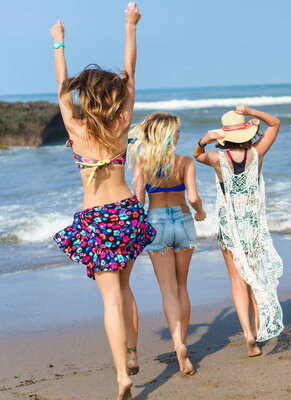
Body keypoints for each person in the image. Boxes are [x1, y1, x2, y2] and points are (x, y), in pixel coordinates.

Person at [51, 3, 153, 399]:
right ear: (110, 97)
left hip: (95, 220)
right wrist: (130, 27)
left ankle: (122, 376)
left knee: (110, 298)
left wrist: (59, 43)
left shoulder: (76, 129)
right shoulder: (120, 124)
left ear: (83, 98)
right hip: (126, 213)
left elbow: (61, 87)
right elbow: (130, 75)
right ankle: (131, 352)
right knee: (126, 290)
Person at [194, 105, 283, 357]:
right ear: (246, 134)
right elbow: (275, 123)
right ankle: (258, 327)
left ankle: (248, 334)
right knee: (254, 280)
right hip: (252, 225)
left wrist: (205, 140)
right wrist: (251, 111)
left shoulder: (217, 160)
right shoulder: (257, 154)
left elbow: (197, 155)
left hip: (229, 225)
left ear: (225, 137)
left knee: (237, 281)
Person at [129, 112, 206, 375]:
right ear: (169, 135)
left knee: (168, 291)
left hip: (157, 224)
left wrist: (135, 226)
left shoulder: (142, 162)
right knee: (183, 286)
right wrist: (202, 212)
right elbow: (193, 197)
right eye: (177, 131)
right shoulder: (184, 162)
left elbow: (138, 199)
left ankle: (178, 343)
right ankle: (182, 343)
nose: (179, 134)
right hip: (183, 220)